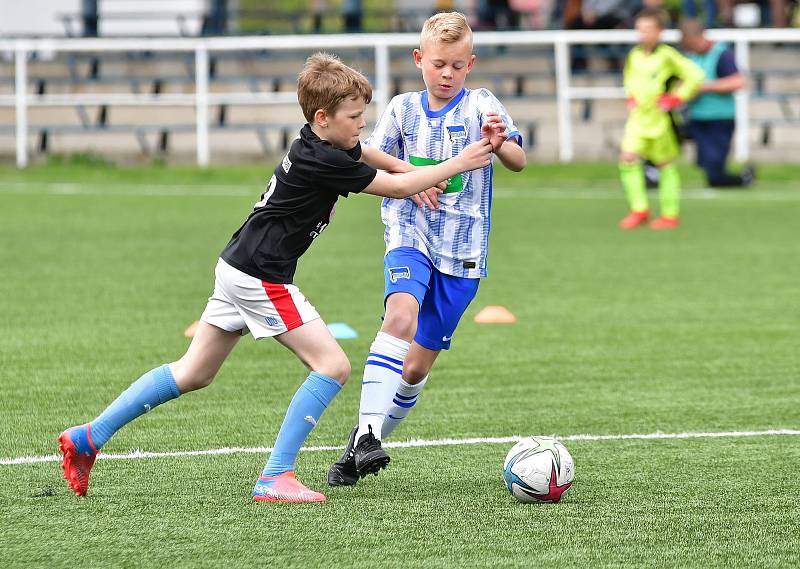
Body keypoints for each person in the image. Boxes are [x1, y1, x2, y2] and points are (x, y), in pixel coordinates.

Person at [57, 52, 495, 503]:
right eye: (354, 117)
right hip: (261, 275)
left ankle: (88, 437)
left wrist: (407, 168)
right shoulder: (323, 160)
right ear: (323, 118)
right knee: (333, 366)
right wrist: (460, 162)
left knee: (193, 372)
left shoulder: (321, 141)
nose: (361, 124)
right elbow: (398, 189)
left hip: (236, 264)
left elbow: (367, 154)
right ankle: (275, 476)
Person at [327, 11, 527, 487]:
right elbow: (367, 152)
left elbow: (519, 160)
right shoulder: (402, 109)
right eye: (439, 64)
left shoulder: (482, 106)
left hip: (463, 250)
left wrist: (500, 146)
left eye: (457, 66)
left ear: (470, 65)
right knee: (400, 315)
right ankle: (370, 435)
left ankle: (360, 444)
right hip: (409, 232)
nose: (447, 74)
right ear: (419, 60)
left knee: (414, 368)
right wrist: (412, 179)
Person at [618, 8, 704, 230]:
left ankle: (670, 214)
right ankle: (639, 210)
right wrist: (631, 98)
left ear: (659, 31)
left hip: (661, 120)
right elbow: (629, 79)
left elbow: (695, 75)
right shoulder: (634, 55)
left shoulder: (667, 55)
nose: (643, 34)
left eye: (648, 29)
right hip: (638, 119)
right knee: (627, 158)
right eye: (640, 29)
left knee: (664, 164)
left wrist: (676, 98)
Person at [681, 19, 753, 188]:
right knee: (704, 162)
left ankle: (743, 178)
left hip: (720, 118)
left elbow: (738, 82)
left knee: (714, 169)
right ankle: (651, 170)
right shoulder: (690, 57)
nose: (690, 46)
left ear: (700, 36)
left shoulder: (721, 54)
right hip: (697, 117)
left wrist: (703, 87)